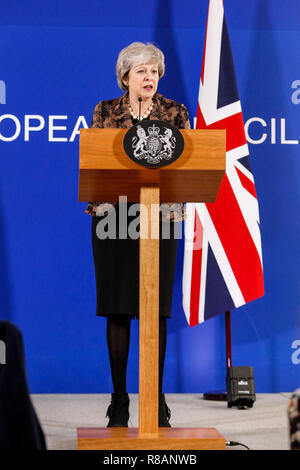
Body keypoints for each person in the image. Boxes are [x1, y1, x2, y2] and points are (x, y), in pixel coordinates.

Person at [85, 42, 190, 427]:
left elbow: (188, 163)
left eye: (154, 71)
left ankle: (155, 397)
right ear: (125, 76)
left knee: (155, 307)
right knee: (118, 306)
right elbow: (98, 160)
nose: (149, 78)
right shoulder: (105, 111)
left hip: (160, 215)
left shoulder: (176, 112)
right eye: (141, 71)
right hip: (112, 216)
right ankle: (119, 400)